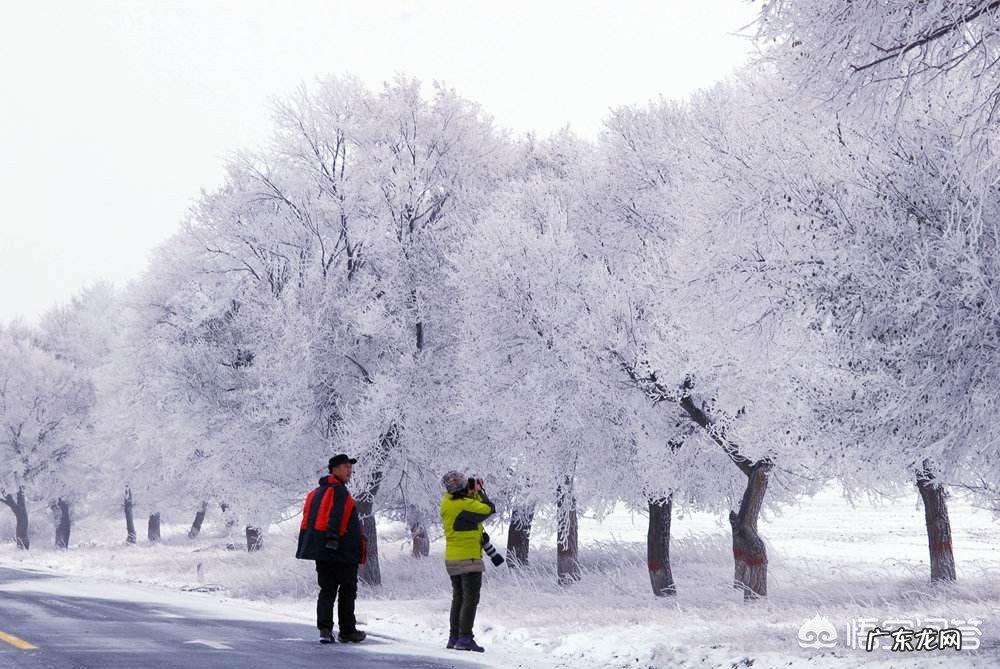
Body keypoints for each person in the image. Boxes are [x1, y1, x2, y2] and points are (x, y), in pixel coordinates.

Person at [296, 453, 367, 644]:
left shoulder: (315, 493)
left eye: (350, 468)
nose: (349, 471)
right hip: (342, 552)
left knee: (326, 590)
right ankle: (347, 631)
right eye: (345, 467)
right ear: (334, 469)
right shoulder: (341, 492)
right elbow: (338, 518)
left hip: (322, 552)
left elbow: (307, 522)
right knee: (347, 591)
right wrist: (333, 540)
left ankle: (325, 630)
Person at [439, 470, 496, 653]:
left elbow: (471, 514)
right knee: (470, 599)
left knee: (458, 598)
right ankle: (465, 638)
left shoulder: (448, 502)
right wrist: (480, 491)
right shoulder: (464, 504)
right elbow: (488, 508)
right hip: (468, 558)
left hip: (453, 558)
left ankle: (454, 637)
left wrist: (471, 494)